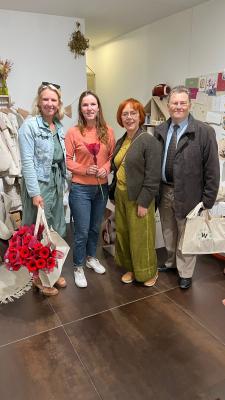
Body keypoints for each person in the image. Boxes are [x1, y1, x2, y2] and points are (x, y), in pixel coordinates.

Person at [155, 85, 220, 289]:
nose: (178, 106)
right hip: (164, 190)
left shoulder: (204, 132)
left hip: (191, 194)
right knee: (169, 231)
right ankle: (172, 262)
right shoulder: (160, 130)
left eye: (183, 103)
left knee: (187, 234)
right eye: (175, 103)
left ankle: (185, 272)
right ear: (168, 105)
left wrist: (208, 200)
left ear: (189, 105)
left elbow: (212, 169)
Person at [18, 82, 67, 296]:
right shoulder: (29, 126)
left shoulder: (59, 126)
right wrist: (35, 193)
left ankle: (52, 272)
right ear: (39, 101)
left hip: (56, 182)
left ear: (59, 103)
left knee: (55, 228)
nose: (49, 103)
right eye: (45, 99)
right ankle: (39, 278)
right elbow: (27, 162)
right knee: (39, 231)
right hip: (40, 183)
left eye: (53, 100)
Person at [65, 90, 115, 288]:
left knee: (95, 227)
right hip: (80, 190)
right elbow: (68, 161)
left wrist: (105, 168)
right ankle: (78, 266)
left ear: (98, 107)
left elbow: (112, 157)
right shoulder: (73, 132)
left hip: (101, 189)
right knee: (82, 231)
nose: (89, 108)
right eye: (85, 105)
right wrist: (85, 170)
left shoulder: (108, 131)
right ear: (81, 109)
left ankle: (91, 258)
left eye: (93, 104)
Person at [111, 98, 161, 286]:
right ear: (120, 117)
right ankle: (131, 268)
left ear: (140, 116)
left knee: (142, 236)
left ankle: (150, 272)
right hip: (121, 195)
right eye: (125, 114)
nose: (129, 117)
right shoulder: (121, 140)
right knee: (124, 234)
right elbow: (116, 166)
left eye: (133, 113)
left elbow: (153, 175)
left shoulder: (149, 141)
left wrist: (144, 202)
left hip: (140, 197)